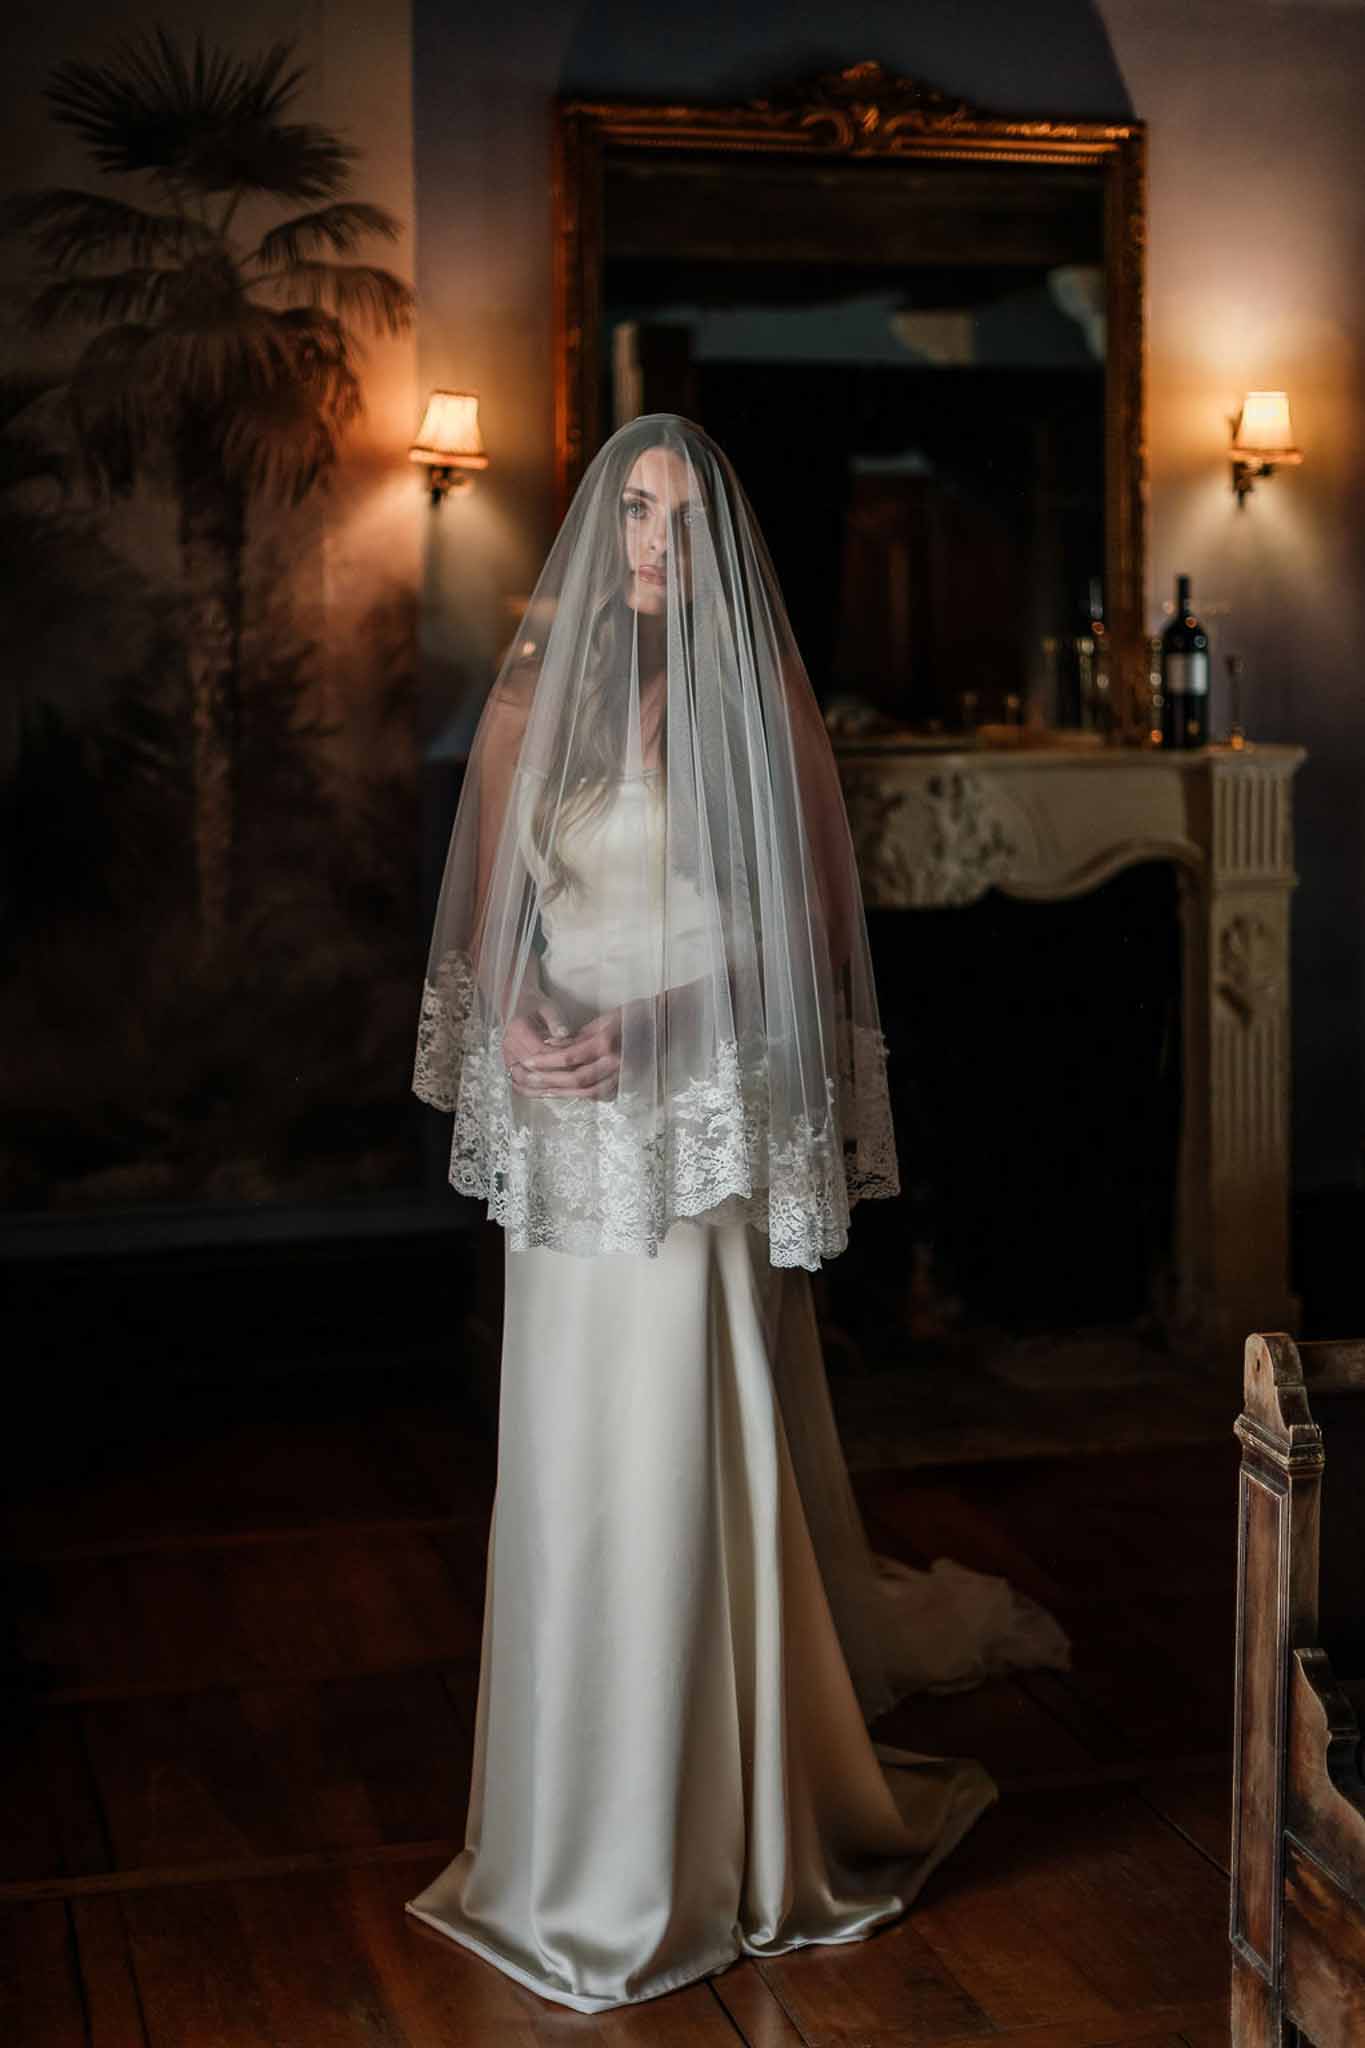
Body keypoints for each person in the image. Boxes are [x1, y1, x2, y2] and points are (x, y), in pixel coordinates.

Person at [407, 415, 1069, 2014]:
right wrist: (519, 1023)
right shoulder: (530, 704)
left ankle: (720, 1826)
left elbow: (811, 942)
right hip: (569, 1122)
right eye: (636, 513)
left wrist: (655, 1027)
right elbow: (493, 925)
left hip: (698, 1097)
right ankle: (570, 1820)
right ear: (600, 533)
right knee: (570, 1455)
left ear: (724, 546)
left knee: (688, 1435)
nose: (658, 542)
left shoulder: (760, 700)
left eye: (687, 518)